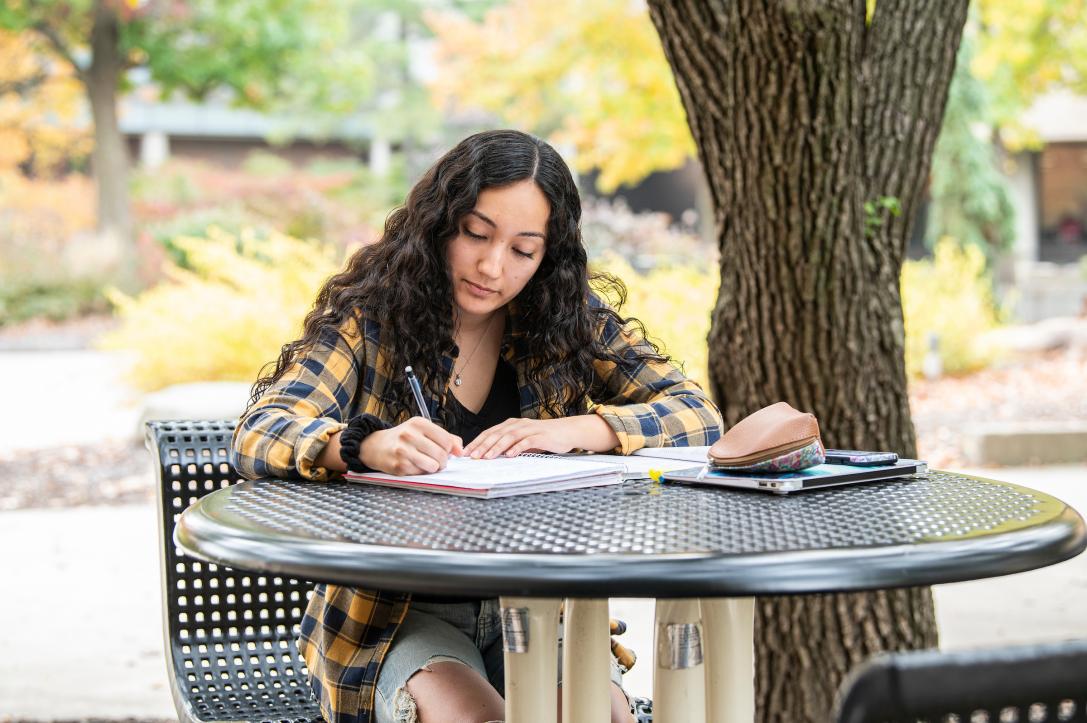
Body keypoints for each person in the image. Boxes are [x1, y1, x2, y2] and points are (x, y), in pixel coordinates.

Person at [232, 129, 723, 723]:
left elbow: (698, 417)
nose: (493, 266)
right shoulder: (373, 319)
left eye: (523, 250)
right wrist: (364, 445)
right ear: (442, 222)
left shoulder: (564, 319)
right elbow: (261, 430)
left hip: (541, 604)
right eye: (476, 234)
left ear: (549, 256)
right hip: (396, 616)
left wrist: (574, 430)